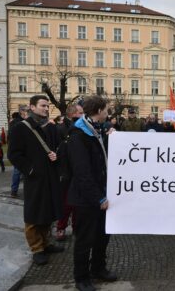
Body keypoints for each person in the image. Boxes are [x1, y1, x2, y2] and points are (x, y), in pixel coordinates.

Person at [67, 96, 117, 291]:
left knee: (102, 236)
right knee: (85, 239)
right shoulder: (79, 135)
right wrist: (98, 197)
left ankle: (98, 268)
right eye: (106, 109)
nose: (108, 113)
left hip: (102, 193)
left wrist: (113, 136)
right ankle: (81, 278)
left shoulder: (99, 130)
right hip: (86, 198)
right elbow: (82, 172)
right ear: (98, 110)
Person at [7, 95, 64, 265]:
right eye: (42, 106)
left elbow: (54, 148)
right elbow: (13, 154)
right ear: (32, 107)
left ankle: (45, 243)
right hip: (34, 179)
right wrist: (30, 170)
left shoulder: (47, 127)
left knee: (47, 211)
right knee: (33, 215)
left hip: (50, 177)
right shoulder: (21, 128)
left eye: (47, 106)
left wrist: (56, 155)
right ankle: (36, 248)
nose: (46, 109)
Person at [55, 104, 84, 241]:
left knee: (78, 202)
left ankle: (76, 226)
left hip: (78, 170)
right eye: (81, 112)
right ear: (73, 114)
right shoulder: (61, 128)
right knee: (66, 203)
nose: (83, 115)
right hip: (66, 172)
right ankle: (61, 227)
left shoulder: (82, 127)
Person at [8, 105, 29, 197]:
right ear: (22, 112)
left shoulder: (25, 121)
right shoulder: (16, 122)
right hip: (19, 150)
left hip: (26, 150)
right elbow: (12, 136)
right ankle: (14, 191)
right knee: (18, 171)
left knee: (23, 172)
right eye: (27, 111)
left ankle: (24, 191)